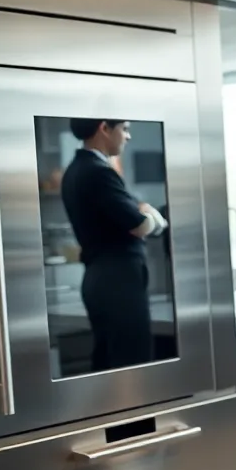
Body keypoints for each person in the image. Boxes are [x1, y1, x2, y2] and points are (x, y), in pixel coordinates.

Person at [60, 119, 168, 371]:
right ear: (104, 128)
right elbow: (139, 224)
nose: (128, 136)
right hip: (118, 281)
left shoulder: (75, 169)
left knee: (110, 362)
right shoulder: (99, 171)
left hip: (101, 278)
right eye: (125, 129)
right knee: (131, 363)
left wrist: (142, 212)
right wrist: (154, 216)